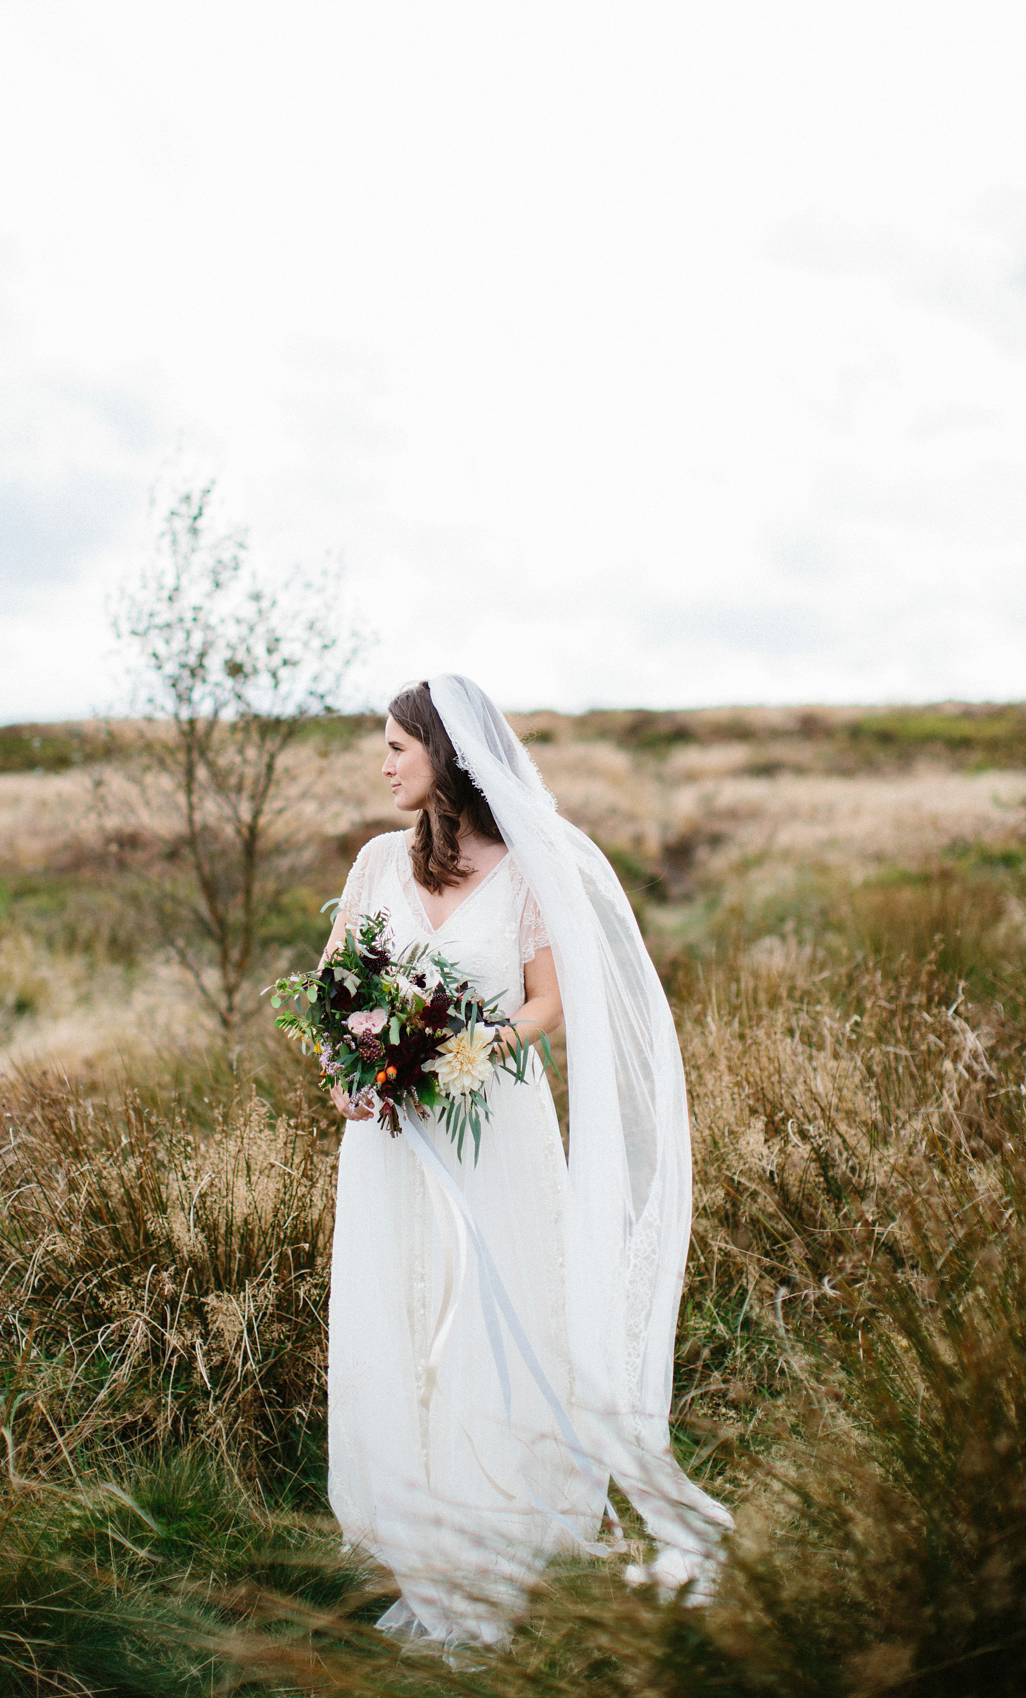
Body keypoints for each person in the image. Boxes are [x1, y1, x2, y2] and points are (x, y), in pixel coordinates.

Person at [321, 676, 729, 1650]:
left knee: (493, 1313)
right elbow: (338, 981)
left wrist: (467, 1052)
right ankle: (419, 1527)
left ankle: (498, 1527)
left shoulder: (523, 870)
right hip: (389, 1133)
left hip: (491, 1123)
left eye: (395, 749)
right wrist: (355, 1065)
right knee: (401, 1307)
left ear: (444, 756)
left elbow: (547, 1004)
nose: (381, 765)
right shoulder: (378, 863)